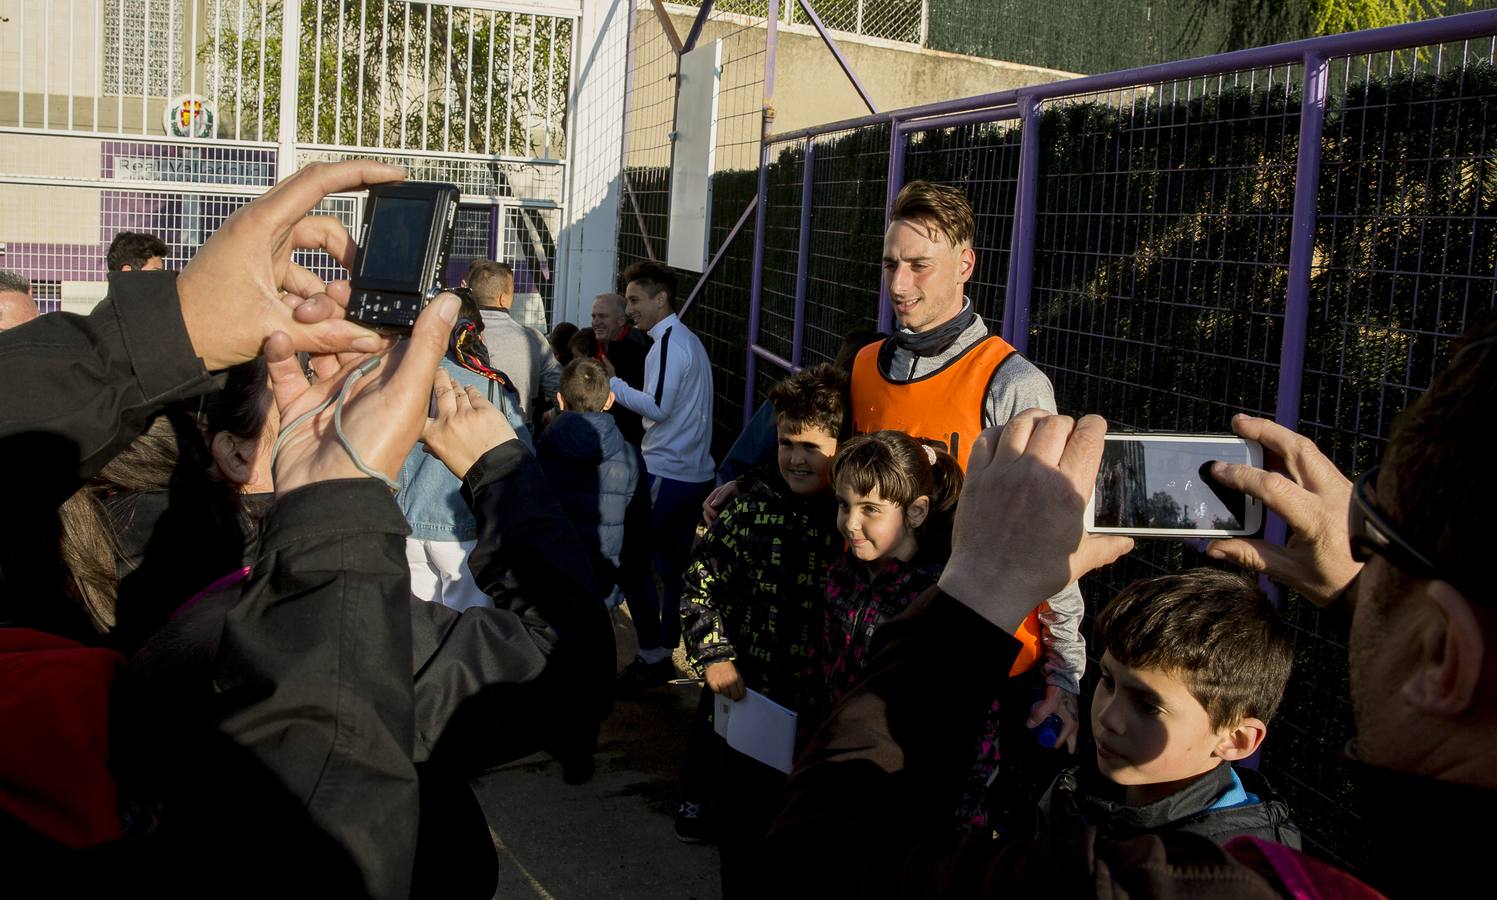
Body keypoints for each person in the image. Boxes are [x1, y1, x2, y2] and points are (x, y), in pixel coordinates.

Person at [0, 161, 614, 897]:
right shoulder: (289, 614)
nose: (352, 386)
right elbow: (567, 667)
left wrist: (152, 339)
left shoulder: (63, 563)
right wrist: (495, 469)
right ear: (230, 449)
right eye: (307, 377)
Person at [765, 309, 1497, 896]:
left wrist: (975, 592)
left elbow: (815, 863)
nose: (1353, 547)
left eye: (1373, 531)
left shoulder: (1181, 880)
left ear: (1444, 651)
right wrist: (1381, 601)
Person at [678, 363, 846, 895]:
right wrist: (715, 655)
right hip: (752, 701)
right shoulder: (747, 509)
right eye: (786, 442)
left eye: (812, 446)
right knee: (744, 836)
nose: (797, 457)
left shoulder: (852, 523)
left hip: (825, 710)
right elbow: (699, 584)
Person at [805, 431, 1007, 831]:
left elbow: (976, 717)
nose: (852, 523)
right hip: (839, 774)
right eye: (844, 506)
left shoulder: (941, 599)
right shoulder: (839, 576)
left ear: (916, 512)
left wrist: (965, 818)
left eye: (871, 509)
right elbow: (818, 671)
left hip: (906, 789)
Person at [1036, 569, 1299, 848]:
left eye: (1147, 706)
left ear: (1236, 739)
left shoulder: (1234, 873)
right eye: (1108, 682)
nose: (1107, 717)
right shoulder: (1075, 794)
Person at [607, 260, 718, 690]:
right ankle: (665, 650)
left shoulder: (669, 342)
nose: (629, 308)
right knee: (671, 568)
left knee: (635, 565)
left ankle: (653, 655)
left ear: (660, 299)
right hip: (687, 473)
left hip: (669, 474)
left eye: (635, 300)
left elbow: (657, 406)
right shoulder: (678, 341)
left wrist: (612, 385)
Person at [397, 288, 533, 611]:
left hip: (409, 525)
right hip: (465, 531)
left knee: (420, 632)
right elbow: (521, 455)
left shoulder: (405, 378)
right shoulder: (489, 384)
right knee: (468, 633)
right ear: (476, 331)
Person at [536, 356, 646, 609]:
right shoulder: (629, 456)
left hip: (555, 575)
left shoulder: (542, 450)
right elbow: (639, 525)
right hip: (605, 581)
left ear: (561, 401)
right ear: (610, 400)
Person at [468, 259, 561, 425]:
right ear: (503, 299)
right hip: (518, 435)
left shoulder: (455, 336)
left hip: (464, 433)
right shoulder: (533, 340)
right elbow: (560, 392)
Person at [590, 291, 648, 445]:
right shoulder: (589, 341)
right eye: (594, 316)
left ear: (621, 320)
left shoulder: (639, 352)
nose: (595, 322)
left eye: (602, 316)